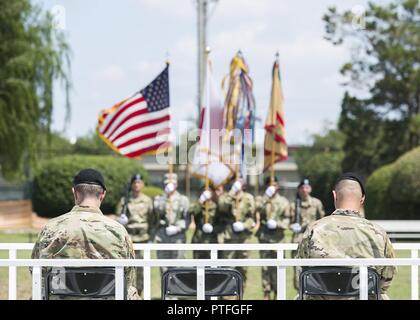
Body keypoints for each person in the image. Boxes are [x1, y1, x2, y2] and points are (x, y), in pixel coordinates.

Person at [31, 168, 139, 300]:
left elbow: (36, 269)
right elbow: (129, 276)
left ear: (75, 193)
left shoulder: (51, 228)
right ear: (103, 194)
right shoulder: (118, 231)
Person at [296, 172, 396, 300]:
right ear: (363, 199)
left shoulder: (314, 229)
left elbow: (301, 269)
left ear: (334, 195)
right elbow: (387, 277)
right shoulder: (378, 232)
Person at [116, 173, 155, 297]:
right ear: (132, 185)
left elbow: (153, 219)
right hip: (129, 239)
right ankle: (127, 291)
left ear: (142, 184)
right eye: (135, 183)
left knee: (141, 268)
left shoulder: (148, 200)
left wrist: (151, 237)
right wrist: (121, 219)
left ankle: (140, 292)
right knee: (128, 266)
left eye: (139, 183)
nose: (137, 185)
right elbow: (118, 217)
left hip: (143, 238)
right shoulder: (125, 200)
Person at [255, 176, 291, 300]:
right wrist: (266, 196)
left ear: (278, 186)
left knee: (278, 266)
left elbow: (287, 220)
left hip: (278, 239)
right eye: (270, 185)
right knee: (265, 267)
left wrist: (278, 224)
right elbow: (255, 208)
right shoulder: (261, 199)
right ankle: (266, 293)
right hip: (264, 238)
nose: (273, 187)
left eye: (275, 184)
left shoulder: (284, 202)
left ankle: (277, 293)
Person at [217, 178, 256, 290]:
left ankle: (240, 294)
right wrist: (231, 193)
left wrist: (244, 225)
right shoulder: (226, 197)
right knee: (228, 268)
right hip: (229, 237)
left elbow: (251, 217)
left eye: (240, 181)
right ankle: (228, 295)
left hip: (244, 239)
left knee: (243, 268)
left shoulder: (248, 198)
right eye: (235, 182)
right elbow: (222, 207)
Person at [290, 178, 325, 290]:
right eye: (302, 188)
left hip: (313, 240)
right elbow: (288, 221)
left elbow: (323, 220)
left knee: (314, 269)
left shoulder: (316, 203)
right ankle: (299, 292)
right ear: (299, 189)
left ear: (310, 189)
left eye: (307, 187)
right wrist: (292, 226)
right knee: (297, 269)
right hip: (298, 239)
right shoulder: (294, 204)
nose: (304, 190)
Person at [153, 173, 190, 275]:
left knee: (178, 267)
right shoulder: (160, 199)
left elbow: (187, 219)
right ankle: (165, 290)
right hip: (163, 235)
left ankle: (177, 291)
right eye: (166, 184)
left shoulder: (183, 200)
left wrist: (178, 228)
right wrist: (165, 197)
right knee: (163, 268)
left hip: (178, 236)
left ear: (176, 184)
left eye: (172, 184)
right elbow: (157, 211)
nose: (168, 186)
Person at [190, 185, 224, 259]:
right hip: (199, 240)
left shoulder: (217, 206)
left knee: (213, 268)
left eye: (209, 191)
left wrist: (213, 229)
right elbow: (191, 211)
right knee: (198, 268)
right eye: (204, 191)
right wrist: (201, 200)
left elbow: (223, 224)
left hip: (213, 241)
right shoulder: (198, 205)